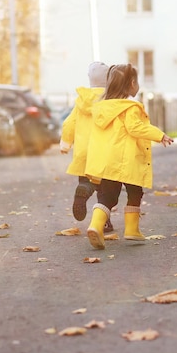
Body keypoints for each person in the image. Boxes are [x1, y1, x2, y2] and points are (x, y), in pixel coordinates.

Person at [84, 63, 173, 250]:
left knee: (108, 197)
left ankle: (96, 226)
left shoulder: (101, 108)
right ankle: (132, 230)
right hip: (128, 161)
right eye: (137, 81)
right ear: (132, 83)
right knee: (135, 192)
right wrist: (159, 135)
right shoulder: (130, 107)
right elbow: (135, 128)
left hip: (108, 163)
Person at [59, 61, 113, 231]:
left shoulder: (81, 101)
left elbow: (69, 123)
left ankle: (84, 187)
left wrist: (66, 144)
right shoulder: (111, 100)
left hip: (84, 153)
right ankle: (103, 221)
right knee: (105, 191)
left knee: (86, 179)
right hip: (104, 152)